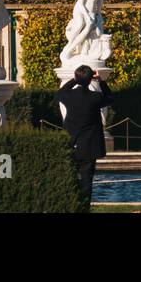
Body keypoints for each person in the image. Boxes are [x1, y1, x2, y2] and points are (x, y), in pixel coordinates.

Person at [54, 64, 112, 205]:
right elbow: (110, 98)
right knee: (87, 180)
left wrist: (75, 79)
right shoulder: (95, 97)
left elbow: (60, 92)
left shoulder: (68, 96)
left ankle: (70, 203)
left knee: (69, 176)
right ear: (90, 79)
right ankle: (84, 205)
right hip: (89, 145)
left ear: (76, 77)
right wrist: (100, 81)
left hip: (71, 142)